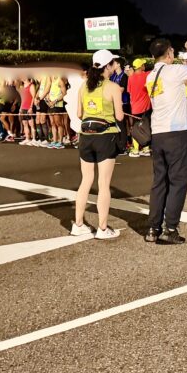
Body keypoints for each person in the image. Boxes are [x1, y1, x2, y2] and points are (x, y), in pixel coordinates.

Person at [145, 37, 187, 244]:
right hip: (177, 132)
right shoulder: (173, 71)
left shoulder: (151, 75)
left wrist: (186, 66)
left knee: (159, 182)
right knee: (178, 181)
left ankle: (153, 228)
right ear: (170, 53)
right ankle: (170, 228)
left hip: (158, 133)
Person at [73, 50, 124, 240]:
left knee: (86, 180)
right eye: (113, 64)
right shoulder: (113, 87)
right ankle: (102, 228)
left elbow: (79, 114)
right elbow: (119, 116)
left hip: (85, 136)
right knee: (104, 184)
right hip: (106, 137)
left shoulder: (84, 87)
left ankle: (78, 224)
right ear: (108, 66)